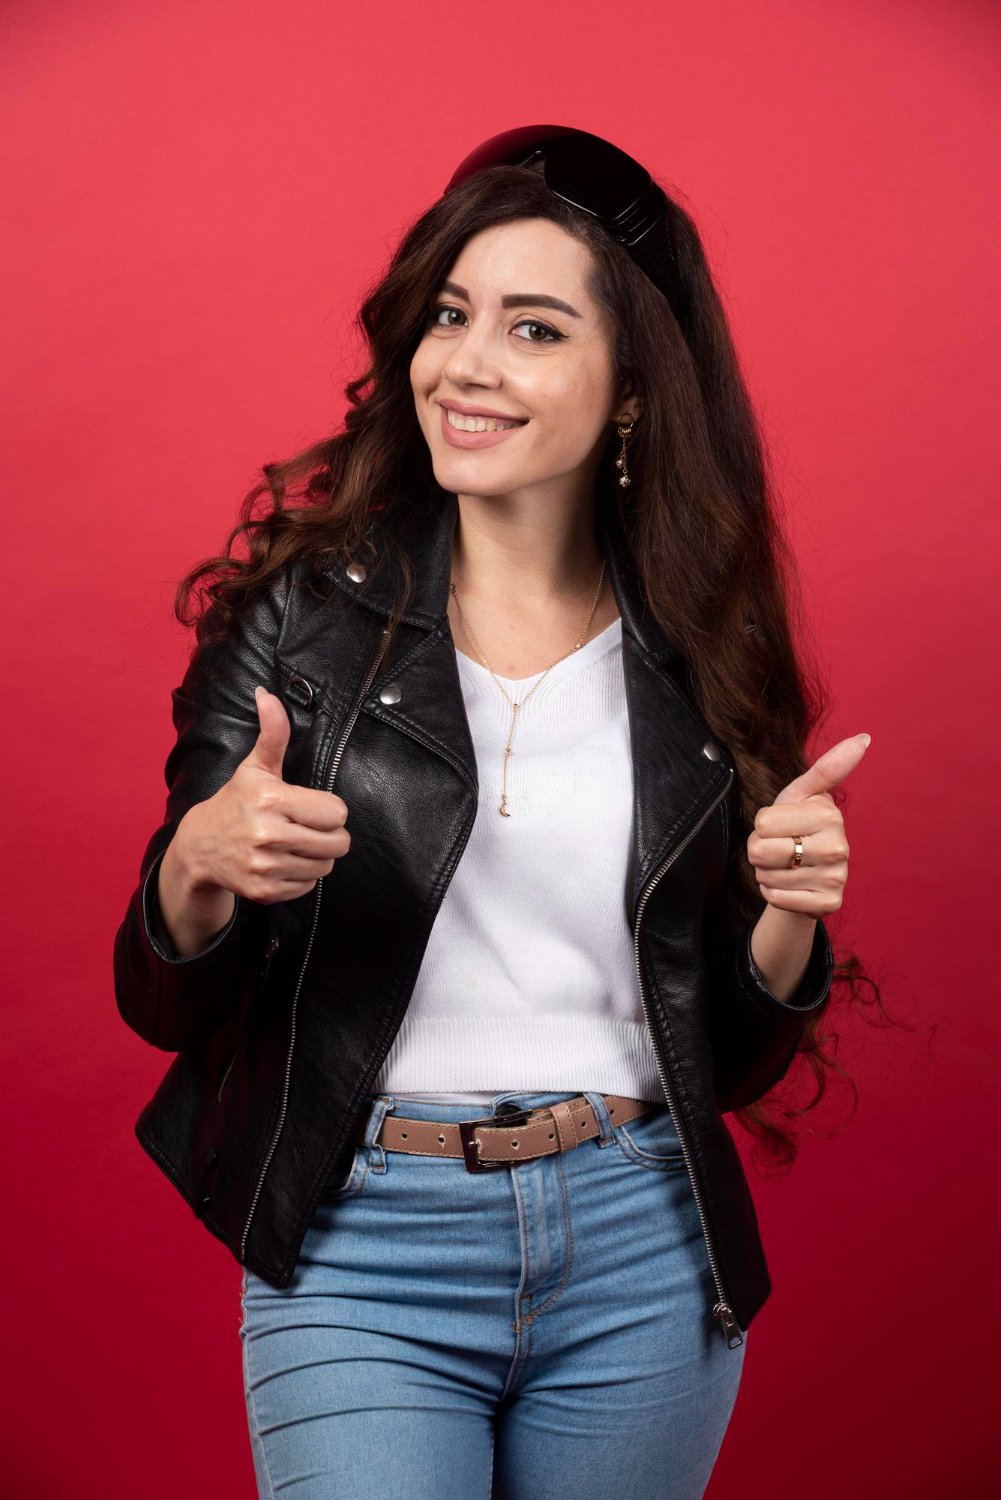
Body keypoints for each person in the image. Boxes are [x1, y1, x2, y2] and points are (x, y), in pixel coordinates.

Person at [113, 126, 872, 1498]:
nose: (467, 364)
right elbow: (164, 1001)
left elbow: (731, 1061)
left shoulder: (705, 644)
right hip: (362, 1238)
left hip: (643, 1239)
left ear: (629, 389)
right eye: (451, 316)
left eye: (533, 329)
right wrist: (197, 873)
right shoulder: (296, 618)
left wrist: (787, 919)